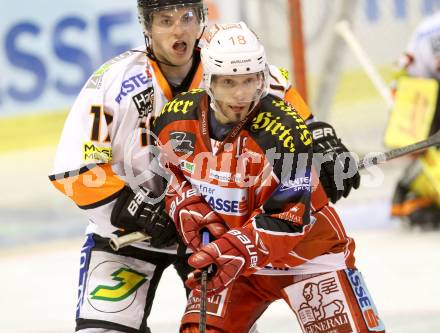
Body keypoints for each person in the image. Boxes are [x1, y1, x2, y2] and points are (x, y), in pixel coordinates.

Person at [152, 22, 385, 333]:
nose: (240, 94)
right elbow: (174, 181)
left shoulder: (286, 130)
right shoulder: (173, 121)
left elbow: (289, 218)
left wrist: (230, 249)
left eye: (249, 81)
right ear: (208, 79)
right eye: (228, 82)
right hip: (237, 263)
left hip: (308, 256)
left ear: (262, 79)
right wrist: (190, 209)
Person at [49, 1, 209, 332]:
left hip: (209, 235)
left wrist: (316, 133)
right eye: (165, 20)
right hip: (126, 237)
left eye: (186, 17)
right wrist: (131, 206)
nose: (178, 30)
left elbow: (281, 105)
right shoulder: (114, 80)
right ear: (147, 28)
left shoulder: (226, 68)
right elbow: (75, 170)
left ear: (201, 20)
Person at [390, 11, 440, 229]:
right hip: (430, 102)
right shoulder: (426, 31)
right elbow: (409, 82)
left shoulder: (425, 29)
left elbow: (405, 76)